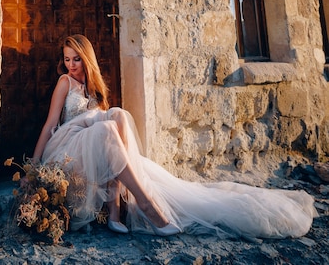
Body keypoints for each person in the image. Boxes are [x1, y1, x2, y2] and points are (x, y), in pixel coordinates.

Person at [32, 34, 317, 238]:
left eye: (76, 59)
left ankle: (116, 204)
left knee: (117, 114)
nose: (71, 64)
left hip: (96, 147)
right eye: (67, 59)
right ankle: (142, 205)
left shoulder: (94, 88)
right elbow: (49, 125)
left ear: (87, 59)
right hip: (68, 146)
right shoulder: (64, 82)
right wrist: (34, 166)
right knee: (106, 126)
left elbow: (110, 125)